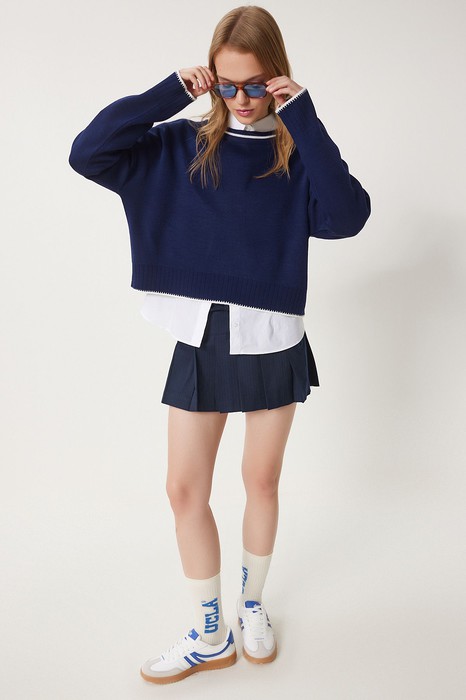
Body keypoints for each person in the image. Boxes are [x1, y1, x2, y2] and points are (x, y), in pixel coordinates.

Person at [69, 4, 371, 685]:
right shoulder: (178, 145)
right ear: (210, 80)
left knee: (260, 481)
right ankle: (210, 632)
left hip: (271, 336)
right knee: (183, 489)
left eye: (255, 84)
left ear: (279, 79)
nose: (241, 98)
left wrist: (305, 118)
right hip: (200, 332)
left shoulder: (295, 153)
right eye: (227, 85)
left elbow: (348, 216)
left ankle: (252, 606)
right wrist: (168, 93)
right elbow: (88, 154)